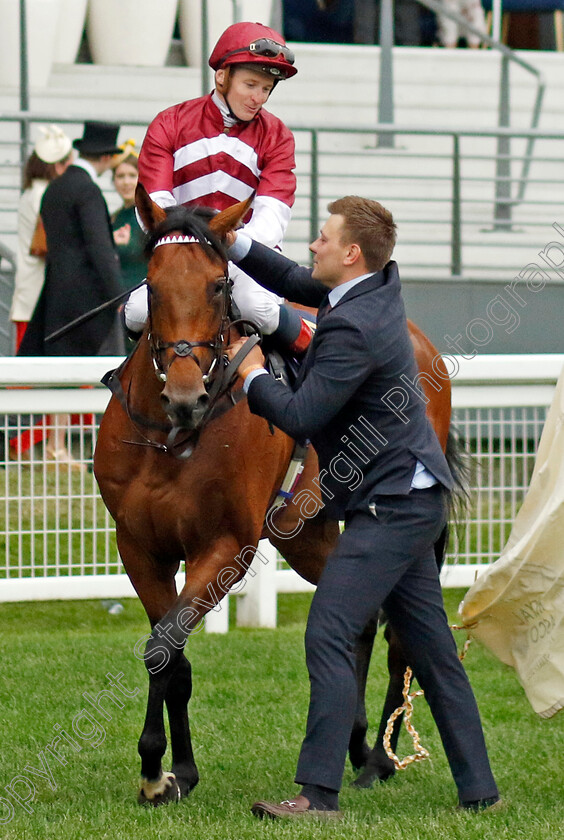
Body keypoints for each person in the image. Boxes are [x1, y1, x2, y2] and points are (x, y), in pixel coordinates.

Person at [225, 195, 500, 819]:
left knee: (328, 631)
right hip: (411, 500)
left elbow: (300, 415)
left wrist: (251, 376)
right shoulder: (363, 293)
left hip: (392, 508)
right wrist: (234, 244)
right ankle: (479, 790)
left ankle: (318, 795)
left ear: (351, 254)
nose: (313, 246)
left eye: (323, 238)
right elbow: (297, 280)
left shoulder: (353, 324)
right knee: (431, 651)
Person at [126, 21, 312, 355]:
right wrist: (194, 246)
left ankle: (319, 354)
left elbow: (273, 213)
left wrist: (233, 243)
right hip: (181, 254)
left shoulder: (277, 136)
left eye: (266, 89)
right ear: (222, 76)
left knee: (258, 309)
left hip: (244, 257)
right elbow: (154, 202)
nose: (258, 98)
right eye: (251, 84)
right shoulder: (170, 123)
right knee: (136, 312)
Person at [18, 120, 125, 358]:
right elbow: (99, 248)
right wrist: (119, 295)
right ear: (106, 158)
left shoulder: (54, 188)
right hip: (88, 301)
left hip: (55, 294)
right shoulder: (88, 190)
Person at [8, 125, 79, 466]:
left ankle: (46, 444)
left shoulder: (30, 192)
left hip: (30, 296)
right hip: (39, 299)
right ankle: (23, 443)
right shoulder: (45, 195)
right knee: (44, 379)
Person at [111, 141, 148, 293]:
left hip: (142, 295)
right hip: (116, 295)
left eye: (132, 176)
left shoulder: (148, 218)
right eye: (120, 176)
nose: (126, 182)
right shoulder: (113, 218)